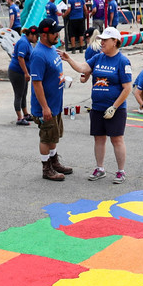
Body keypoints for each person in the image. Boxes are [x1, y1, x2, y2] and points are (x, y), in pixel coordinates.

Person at [29, 18, 90, 181]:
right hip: (45, 106)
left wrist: (62, 80)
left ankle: (54, 161)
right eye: (54, 32)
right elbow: (37, 83)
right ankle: (46, 168)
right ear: (43, 35)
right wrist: (44, 107)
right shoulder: (38, 55)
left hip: (55, 103)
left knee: (54, 136)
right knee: (46, 137)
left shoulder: (52, 48)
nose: (57, 34)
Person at [82, 27, 132, 183]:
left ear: (115, 42)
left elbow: (127, 88)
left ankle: (121, 171)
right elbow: (84, 68)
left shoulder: (123, 61)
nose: (101, 42)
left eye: (105, 40)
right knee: (99, 139)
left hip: (115, 109)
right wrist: (68, 60)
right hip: (97, 106)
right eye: (101, 40)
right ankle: (100, 168)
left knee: (117, 139)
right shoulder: (98, 57)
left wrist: (114, 107)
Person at [8, 25, 37, 125]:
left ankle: (25, 114)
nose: (37, 39)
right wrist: (26, 73)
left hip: (23, 73)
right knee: (19, 94)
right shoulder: (24, 42)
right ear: (32, 35)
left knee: (24, 93)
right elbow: (20, 58)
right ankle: (19, 118)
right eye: (36, 37)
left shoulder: (27, 42)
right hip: (17, 72)